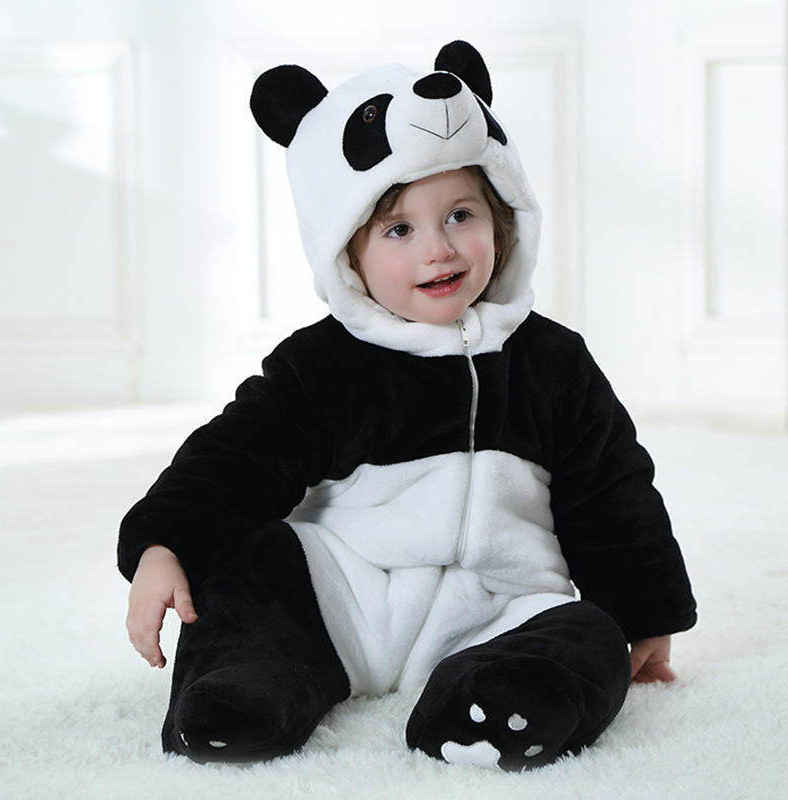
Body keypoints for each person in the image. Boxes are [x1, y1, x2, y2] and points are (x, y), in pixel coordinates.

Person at [119, 41, 696, 771]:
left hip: (496, 609)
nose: (438, 249)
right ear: (347, 253)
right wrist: (164, 544)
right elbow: (234, 458)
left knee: (588, 635)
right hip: (342, 597)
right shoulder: (324, 364)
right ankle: (242, 697)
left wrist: (645, 616)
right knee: (247, 570)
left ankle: (492, 705)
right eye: (399, 229)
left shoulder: (551, 361)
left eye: (461, 214)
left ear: (503, 218)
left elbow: (613, 490)